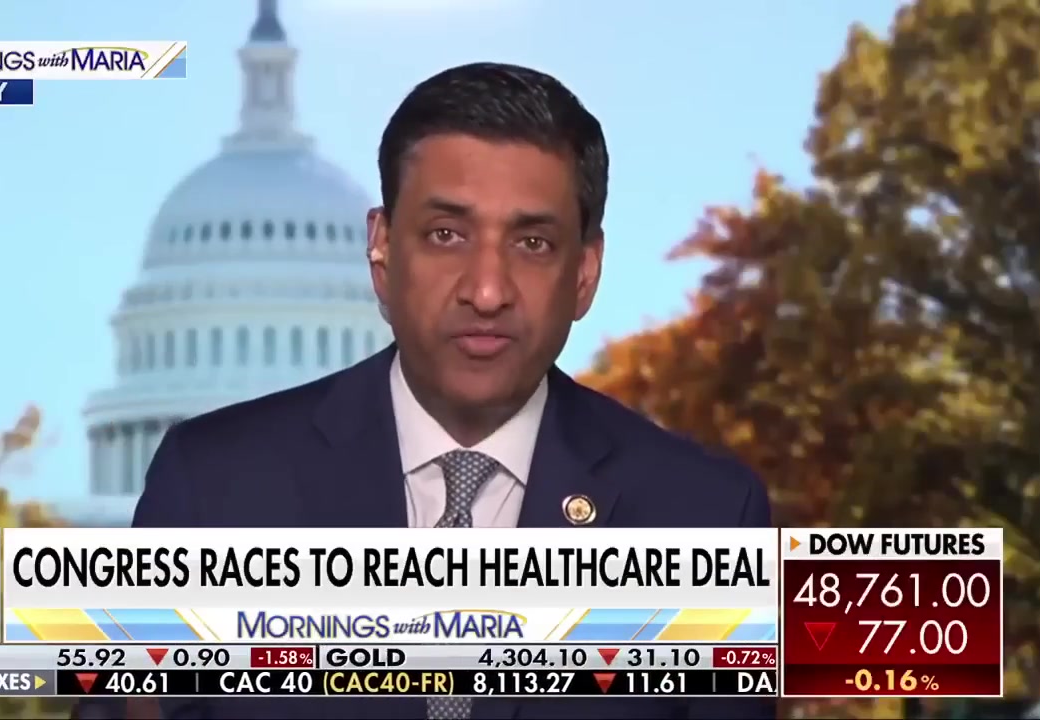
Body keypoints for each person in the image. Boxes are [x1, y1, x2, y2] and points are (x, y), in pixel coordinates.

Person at [76, 62, 774, 720]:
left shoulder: (706, 517)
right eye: (446, 234)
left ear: (585, 272)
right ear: (381, 251)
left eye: (532, 243)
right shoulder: (211, 493)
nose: (487, 291)